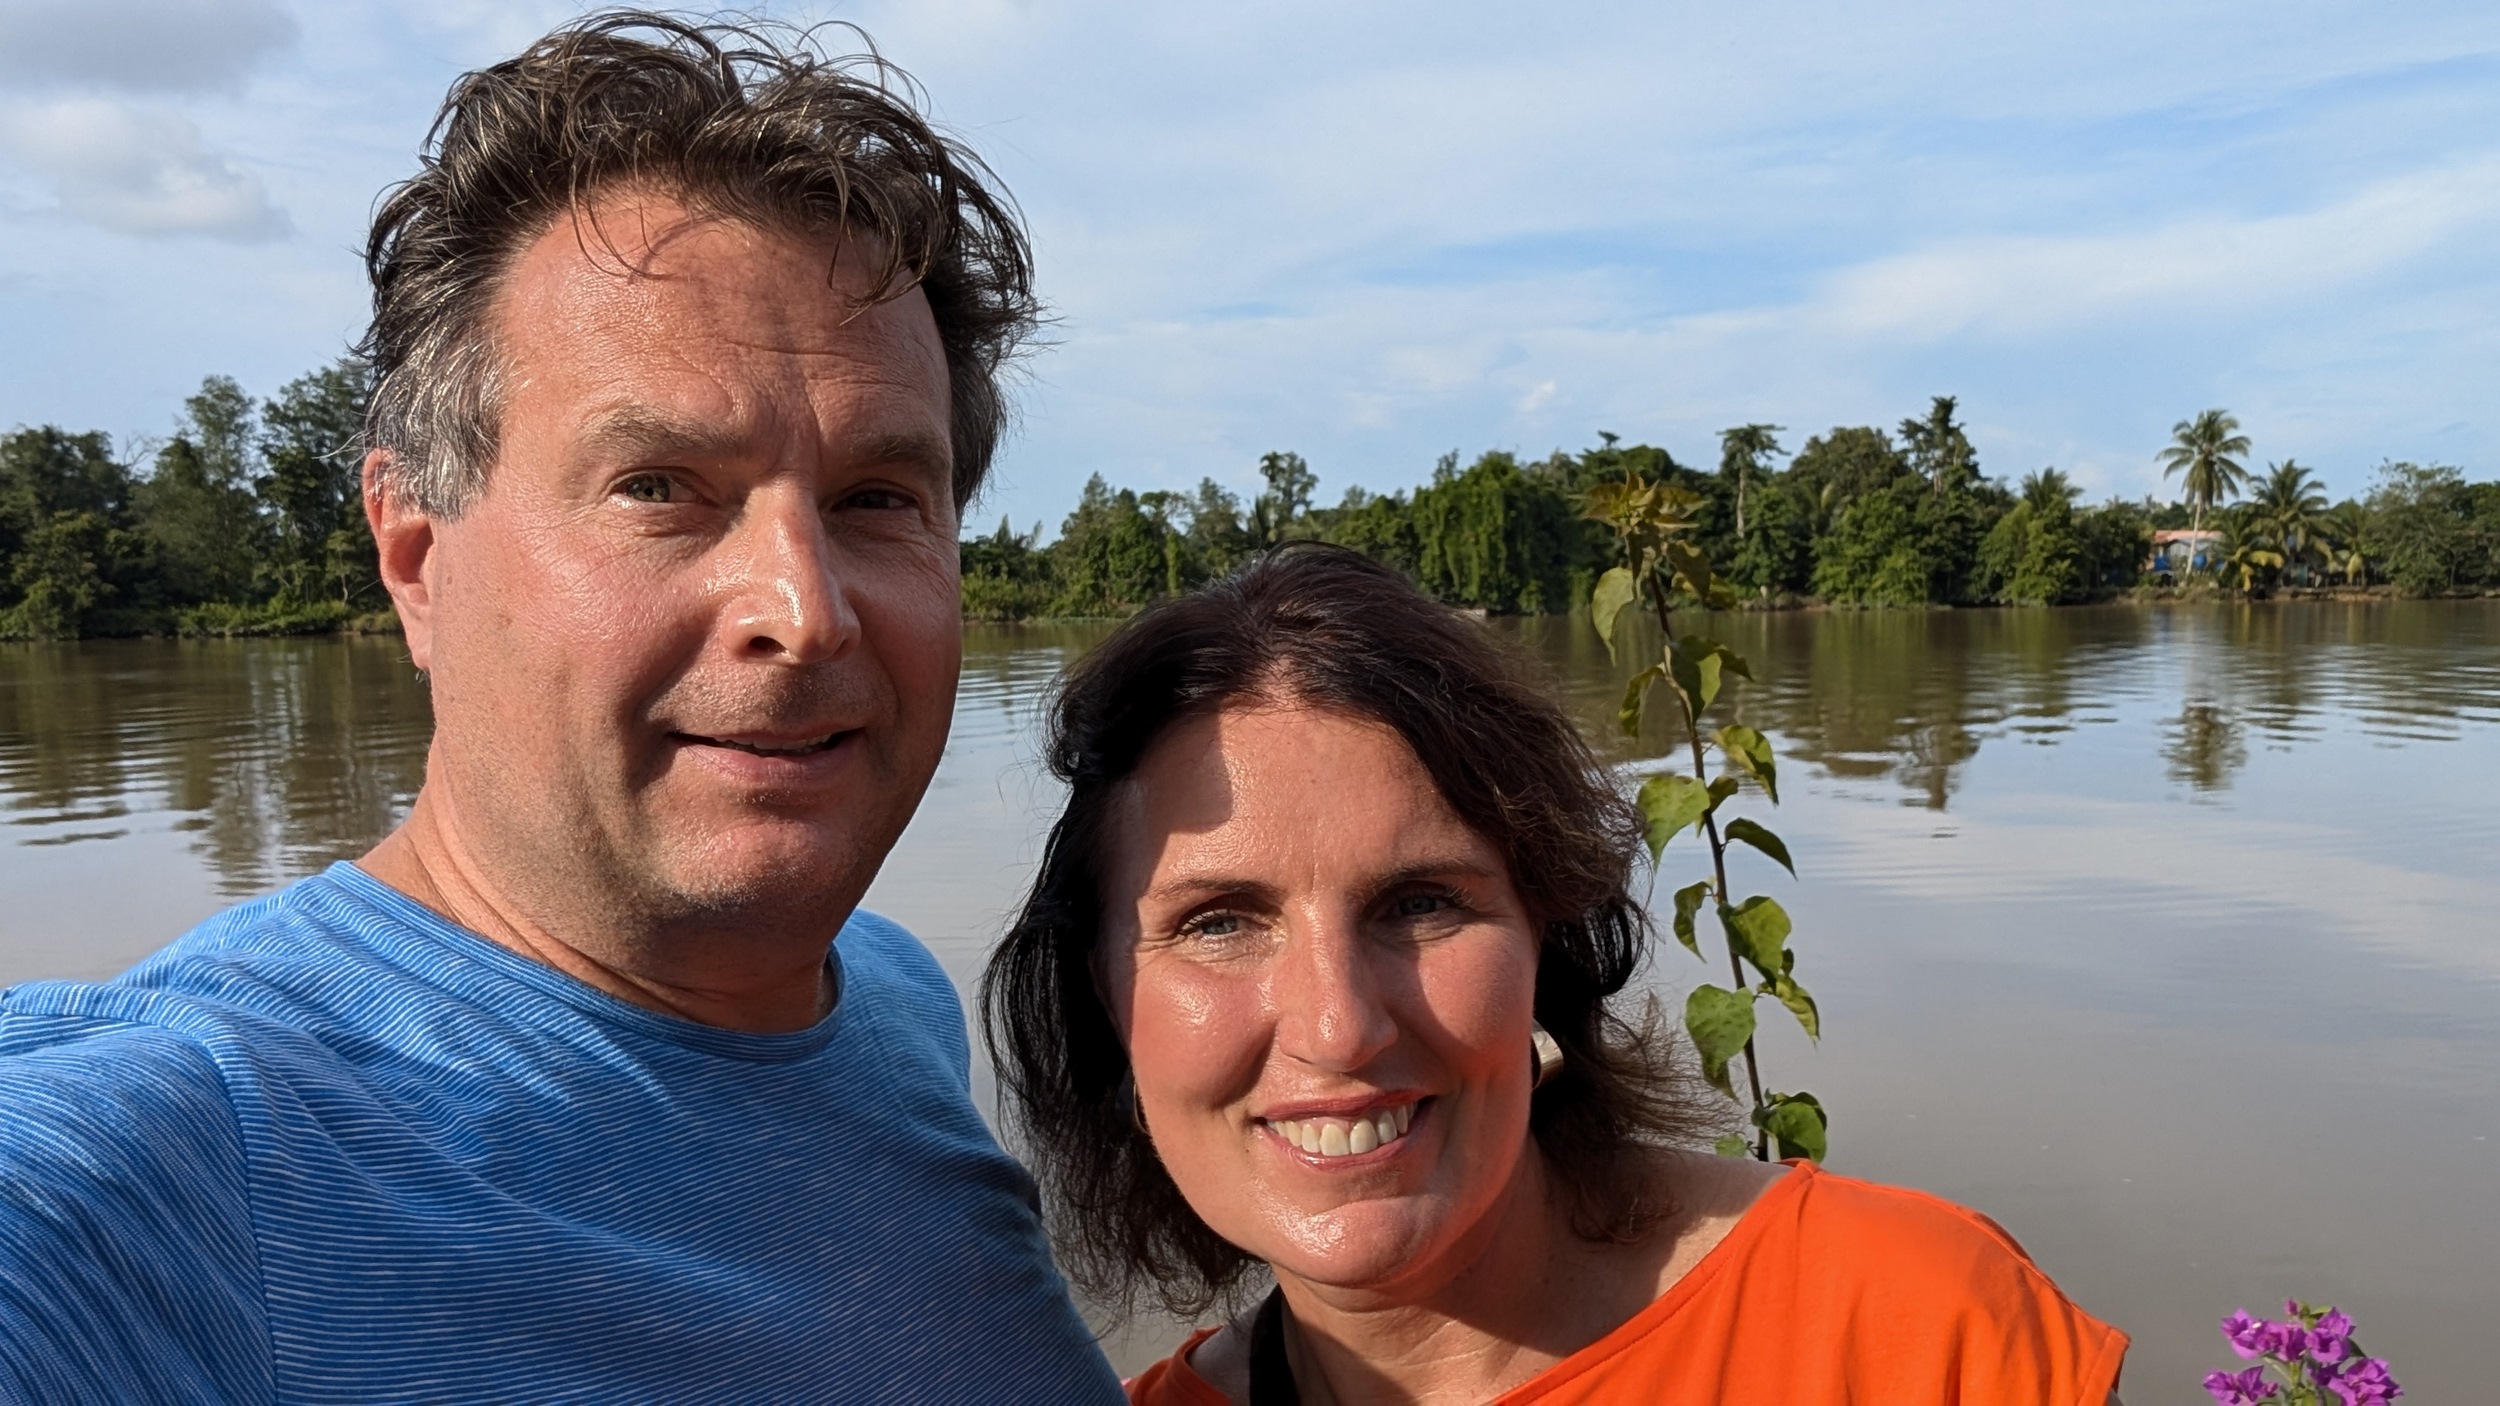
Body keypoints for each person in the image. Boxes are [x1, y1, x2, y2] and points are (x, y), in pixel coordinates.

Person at [0, 14, 1122, 1402]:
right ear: (416, 554)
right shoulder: (155, 1175)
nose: (806, 608)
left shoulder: (887, 992)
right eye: (657, 486)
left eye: (877, 497)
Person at [985, 544, 2128, 1405]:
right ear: (1104, 1000)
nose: (1338, 1025)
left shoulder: (1909, 1334)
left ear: (1549, 941)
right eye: (1219, 921)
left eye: (1421, 902)